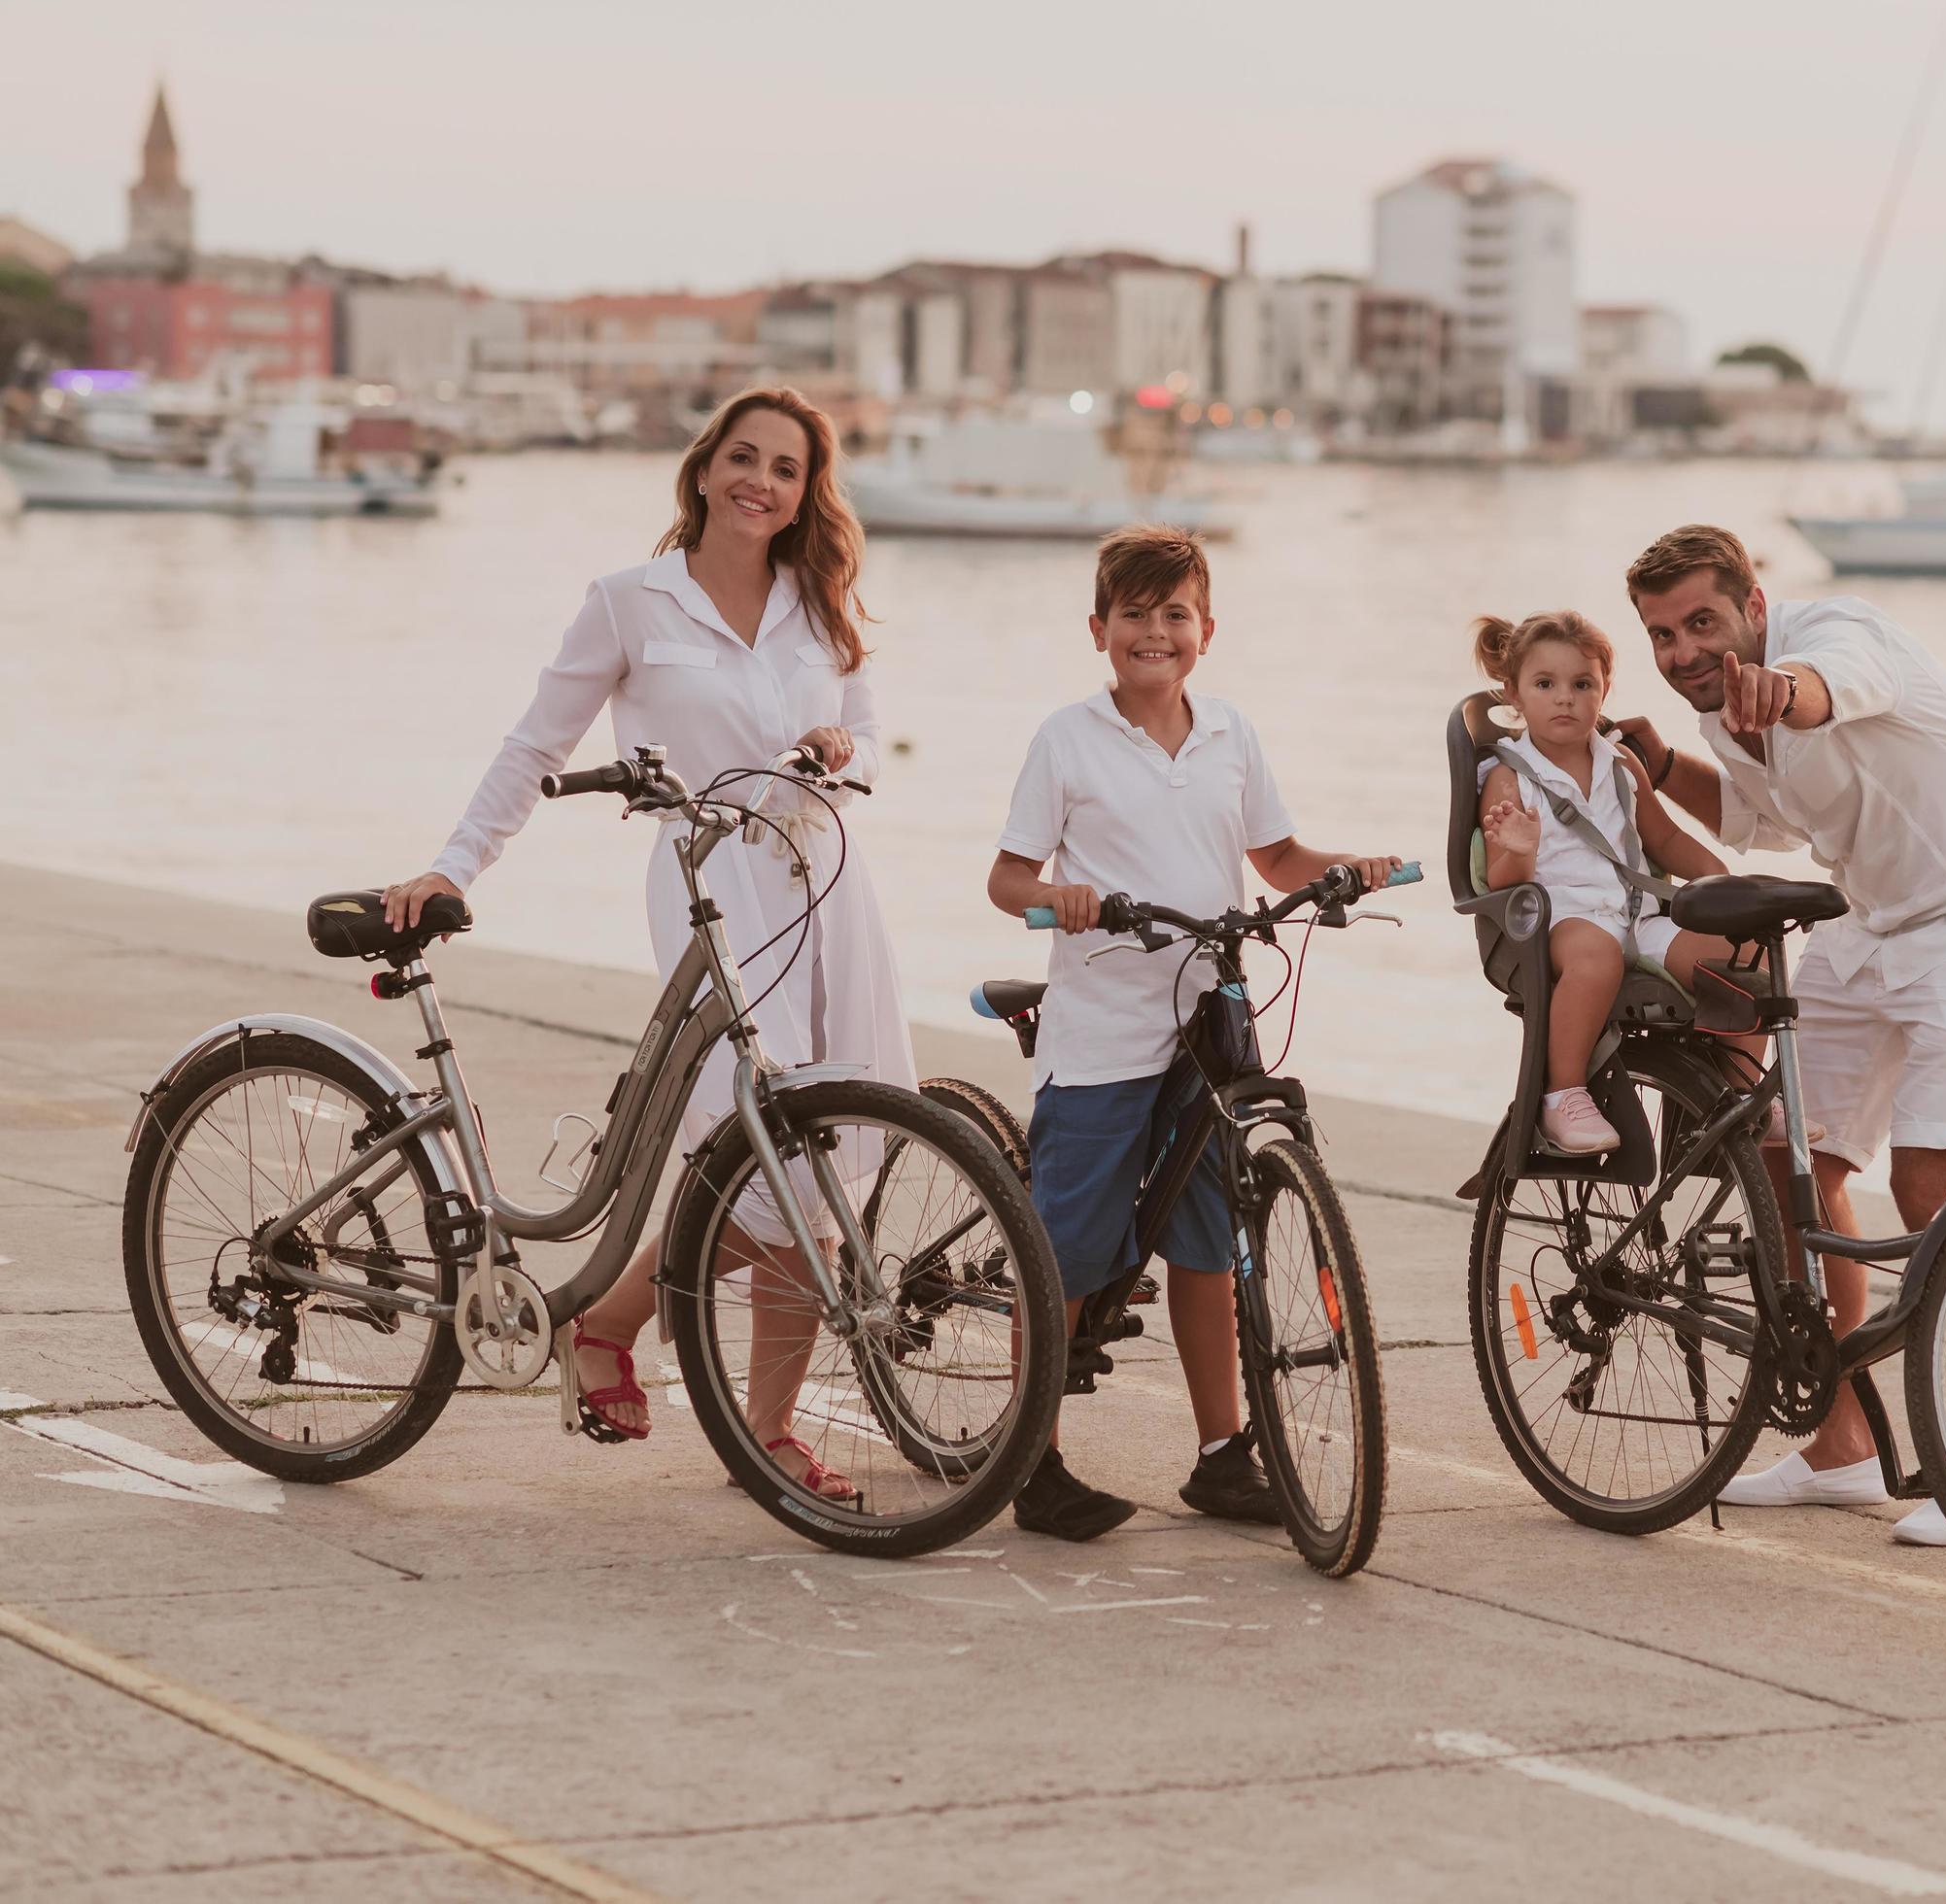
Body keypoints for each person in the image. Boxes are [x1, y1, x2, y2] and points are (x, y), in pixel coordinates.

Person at [380, 386, 915, 1503]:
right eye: (743, 457)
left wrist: (836, 746)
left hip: (827, 881)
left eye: (785, 467)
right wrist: (455, 864)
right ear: (705, 466)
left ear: (808, 491)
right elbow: (538, 742)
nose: (759, 481)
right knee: (758, 1155)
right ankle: (623, 1333)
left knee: (818, 1171)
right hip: (713, 880)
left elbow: (869, 745)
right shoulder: (632, 600)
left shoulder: (822, 601)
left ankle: (749, 1419)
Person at [1609, 524, 1946, 1547]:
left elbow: (1831, 685)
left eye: (1702, 623)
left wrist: (1785, 687)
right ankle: (1843, 1450)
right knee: (1782, 1160)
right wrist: (1657, 758)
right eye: (1661, 634)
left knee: (1937, 1187)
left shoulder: (1839, 634)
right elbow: (1758, 814)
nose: (1683, 650)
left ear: (1755, 605)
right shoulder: (1719, 700)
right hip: (1871, 922)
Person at [987, 524, 1405, 1543]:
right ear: (1099, 629)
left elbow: (1274, 852)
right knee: (1070, 1250)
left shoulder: (1230, 734)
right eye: (1134, 614)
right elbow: (1007, 880)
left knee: (1210, 1240)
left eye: (1175, 614)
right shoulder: (1067, 738)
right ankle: (1028, 1456)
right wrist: (1063, 897)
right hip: (1103, 1031)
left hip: (1211, 1021)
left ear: (1206, 631)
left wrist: (1344, 867)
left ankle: (1223, 1453)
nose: (1155, 632)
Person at [1468, 609, 1763, 1153]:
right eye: (1545, 684)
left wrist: (1723, 886)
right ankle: (1564, 1095)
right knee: (1597, 956)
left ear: (1604, 691)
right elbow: (1506, 887)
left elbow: (1666, 840)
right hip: (1557, 919)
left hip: (1635, 915)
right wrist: (1517, 851)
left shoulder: (1620, 763)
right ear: (1513, 692)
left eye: (1582, 685)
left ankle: (1743, 1096)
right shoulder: (1510, 777)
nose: (1565, 698)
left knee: (1750, 955)